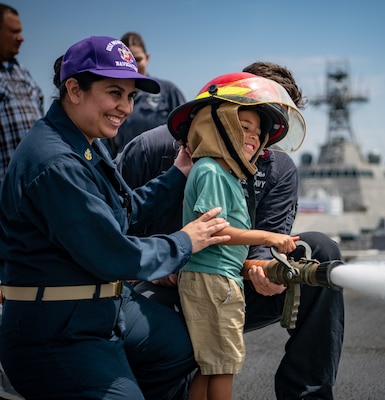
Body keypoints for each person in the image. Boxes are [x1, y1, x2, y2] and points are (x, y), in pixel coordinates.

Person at [0, 35, 232, 399]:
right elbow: (116, 255)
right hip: (57, 329)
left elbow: (121, 213)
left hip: (100, 308)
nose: (125, 107)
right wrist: (188, 240)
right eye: (114, 93)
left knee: (183, 349)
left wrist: (177, 175)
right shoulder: (56, 162)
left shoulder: (82, 141)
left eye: (130, 96)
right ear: (74, 89)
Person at [119, 62, 345, 400]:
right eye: (250, 120)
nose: (258, 138)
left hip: (227, 285)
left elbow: (260, 252)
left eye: (269, 126)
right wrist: (158, 263)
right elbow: (111, 226)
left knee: (320, 253)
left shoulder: (280, 169)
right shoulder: (152, 148)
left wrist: (263, 269)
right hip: (155, 288)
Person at [173, 72, 302, 399]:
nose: (254, 137)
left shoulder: (226, 174)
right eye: (244, 126)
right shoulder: (213, 171)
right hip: (212, 279)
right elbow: (214, 231)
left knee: (211, 364)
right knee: (224, 364)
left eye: (259, 132)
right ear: (218, 126)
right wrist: (269, 239)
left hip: (217, 278)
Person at [100, 31, 185, 158]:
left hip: (167, 170)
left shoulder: (168, 91)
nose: (134, 65)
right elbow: (106, 144)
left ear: (147, 58)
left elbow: (187, 129)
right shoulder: (107, 98)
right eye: (117, 93)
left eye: (138, 59)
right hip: (125, 173)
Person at [0, 3, 44, 183]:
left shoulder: (23, 73)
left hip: (36, 185)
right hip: (5, 191)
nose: (21, 38)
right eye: (14, 32)